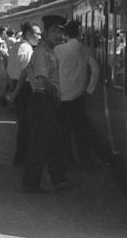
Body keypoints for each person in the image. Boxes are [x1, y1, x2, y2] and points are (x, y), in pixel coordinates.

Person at [21, 15, 74, 193]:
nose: (58, 35)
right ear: (45, 32)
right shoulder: (42, 52)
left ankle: (59, 180)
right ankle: (31, 183)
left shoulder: (50, 50)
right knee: (40, 143)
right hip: (42, 99)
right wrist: (57, 91)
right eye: (54, 31)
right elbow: (42, 80)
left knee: (53, 141)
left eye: (61, 31)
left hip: (47, 100)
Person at [54, 19, 100, 167]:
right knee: (81, 131)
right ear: (79, 33)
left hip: (60, 96)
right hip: (78, 96)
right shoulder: (85, 49)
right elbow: (95, 71)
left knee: (63, 131)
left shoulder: (58, 49)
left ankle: (68, 161)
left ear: (65, 34)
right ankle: (86, 161)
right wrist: (89, 89)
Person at [9, 22, 39, 166]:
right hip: (25, 88)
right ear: (28, 34)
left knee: (23, 124)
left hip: (17, 85)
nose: (39, 37)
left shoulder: (15, 46)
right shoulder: (27, 50)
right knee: (27, 125)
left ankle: (20, 157)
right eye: (37, 34)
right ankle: (23, 158)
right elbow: (26, 73)